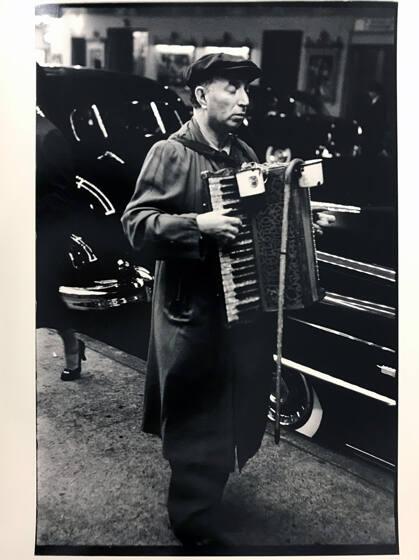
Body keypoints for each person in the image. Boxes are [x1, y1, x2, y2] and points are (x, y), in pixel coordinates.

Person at [122, 53, 325, 547]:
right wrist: (197, 226)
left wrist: (297, 221)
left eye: (247, 90)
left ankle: (205, 500)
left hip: (239, 312)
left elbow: (261, 220)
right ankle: (190, 522)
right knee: (193, 411)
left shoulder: (242, 153)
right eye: (231, 89)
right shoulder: (170, 153)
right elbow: (136, 226)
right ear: (200, 96)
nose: (244, 100)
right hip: (191, 310)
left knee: (228, 408)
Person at [36, 64, 86, 381]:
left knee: (46, 297)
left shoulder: (47, 135)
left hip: (42, 232)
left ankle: (71, 342)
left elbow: (61, 195)